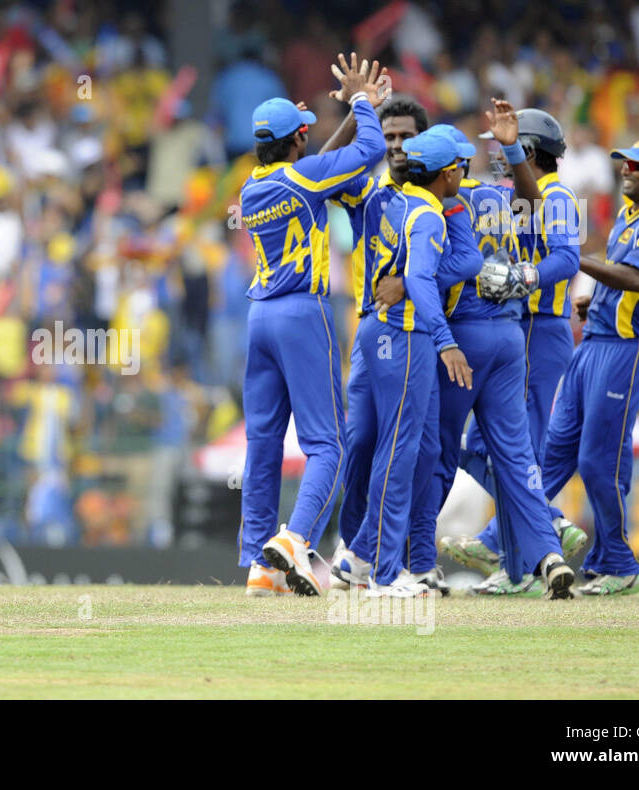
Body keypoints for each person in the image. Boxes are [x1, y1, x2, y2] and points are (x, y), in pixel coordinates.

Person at [238, 54, 388, 597]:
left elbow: (316, 167)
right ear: (299, 137)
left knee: (263, 445)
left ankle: (259, 566)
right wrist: (364, 102)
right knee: (328, 444)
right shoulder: (303, 177)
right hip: (303, 313)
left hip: (258, 319)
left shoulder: (253, 187)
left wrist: (317, 125)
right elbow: (368, 152)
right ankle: (295, 539)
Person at [419, 120, 576, 599]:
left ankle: (417, 561)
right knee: (516, 455)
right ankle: (547, 554)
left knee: (441, 451)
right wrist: (510, 147)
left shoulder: (444, 201)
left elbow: (432, 271)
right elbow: (531, 202)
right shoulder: (498, 195)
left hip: (466, 339)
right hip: (510, 336)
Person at [540, 137, 639, 595]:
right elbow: (619, 281)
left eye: (636, 164)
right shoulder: (627, 216)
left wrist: (574, 261)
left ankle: (620, 564)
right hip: (596, 342)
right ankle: (517, 548)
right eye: (623, 162)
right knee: (553, 452)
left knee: (598, 461)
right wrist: (596, 303)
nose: (625, 169)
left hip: (627, 350)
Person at [345, 125, 477, 597]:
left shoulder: (397, 200)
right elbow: (419, 279)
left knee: (413, 449)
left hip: (389, 332)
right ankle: (383, 573)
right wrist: (445, 341)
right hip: (403, 335)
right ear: (447, 173)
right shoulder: (428, 217)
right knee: (398, 453)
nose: (464, 172)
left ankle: (362, 555)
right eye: (460, 167)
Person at [326, 95, 429, 589]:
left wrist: (408, 283)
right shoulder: (369, 188)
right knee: (361, 441)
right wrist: (354, 113)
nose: (396, 146)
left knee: (407, 447)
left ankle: (381, 559)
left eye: (405, 137)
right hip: (371, 331)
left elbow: (456, 264)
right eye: (388, 137)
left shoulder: (443, 193)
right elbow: (317, 173)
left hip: (414, 331)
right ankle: (355, 555)